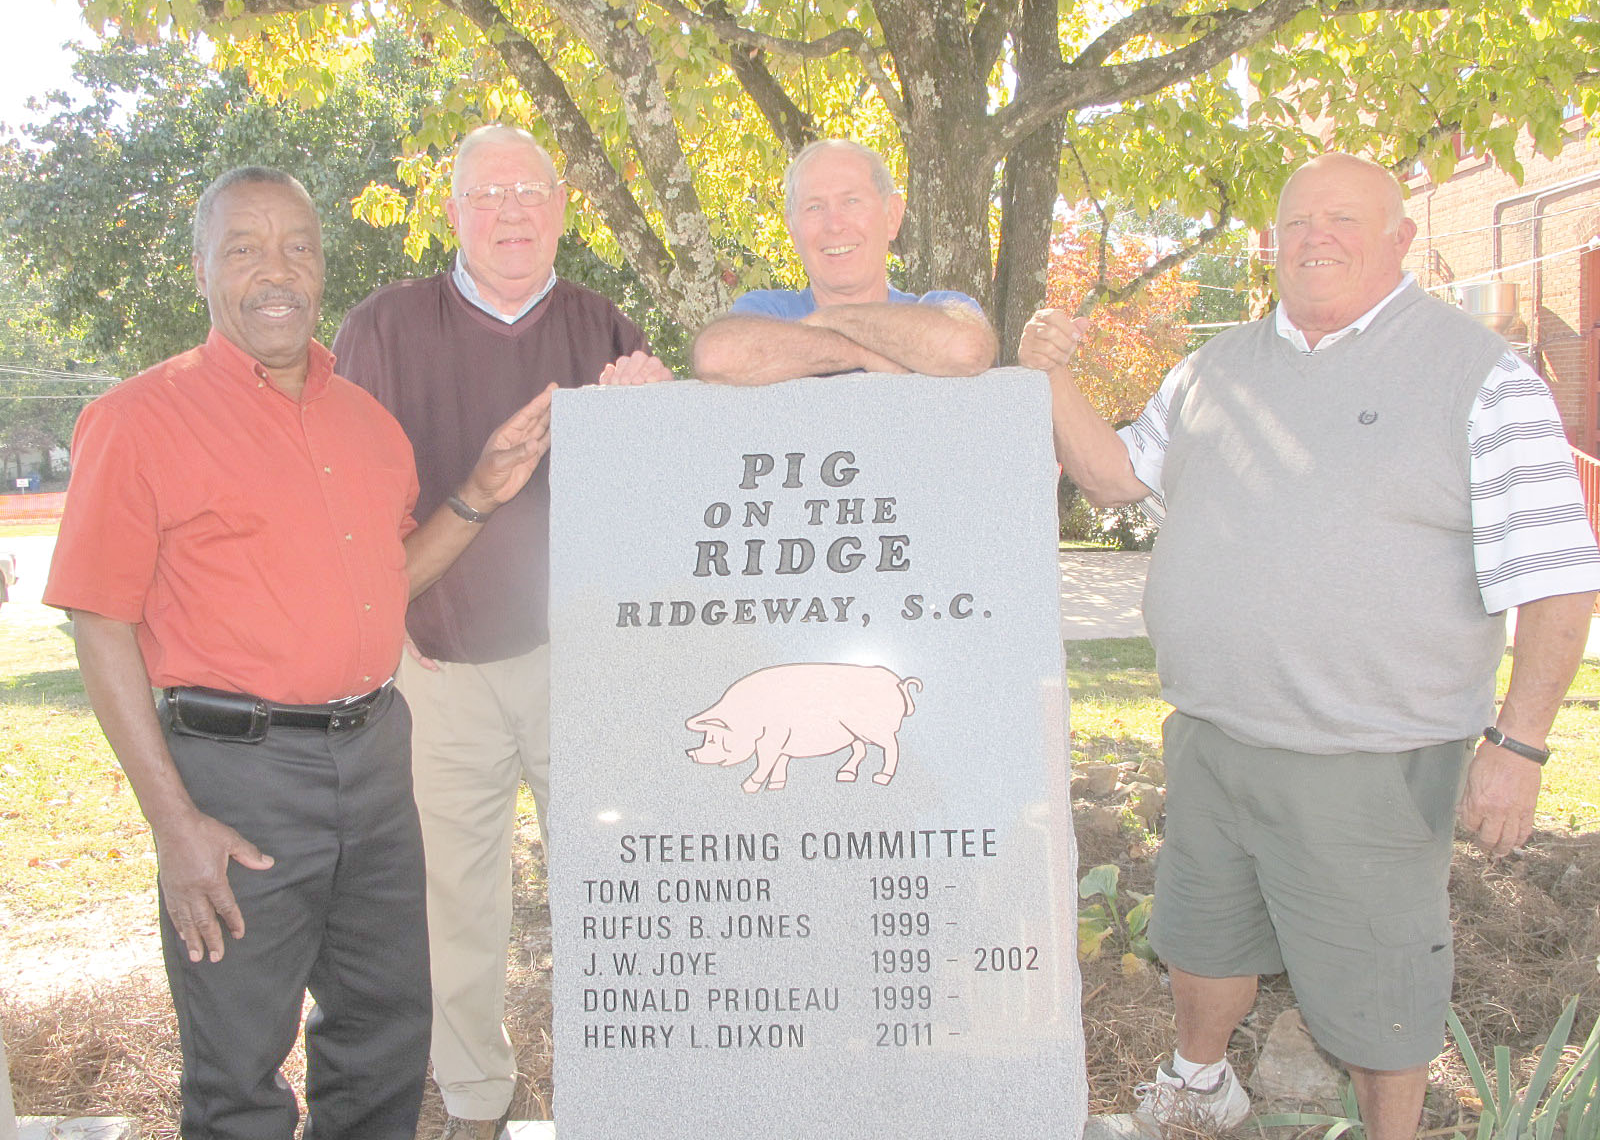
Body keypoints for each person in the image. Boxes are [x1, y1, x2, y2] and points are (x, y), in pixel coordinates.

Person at [1020, 153, 1600, 1140]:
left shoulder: (1481, 377)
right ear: (1274, 243)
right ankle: (1199, 1087)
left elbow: (1557, 576)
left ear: (1400, 239)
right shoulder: (1213, 370)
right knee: (1201, 937)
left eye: (1343, 218)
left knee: (1379, 991)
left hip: (1370, 758)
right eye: (1297, 221)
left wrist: (1518, 746)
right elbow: (1115, 476)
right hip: (1215, 736)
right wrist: (1052, 374)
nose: (1315, 236)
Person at [43, 167, 554, 1140]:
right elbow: (99, 623)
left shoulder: (367, 424)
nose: (275, 273)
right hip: (238, 778)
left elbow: (389, 580)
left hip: (376, 760)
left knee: (383, 1040)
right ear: (202, 271)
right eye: (244, 250)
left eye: (298, 249)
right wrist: (173, 824)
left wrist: (480, 493)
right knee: (238, 1071)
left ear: (322, 268)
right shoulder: (137, 421)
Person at [333, 124, 672, 1140]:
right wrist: (383, 615)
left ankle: (623, 1097)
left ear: (562, 208)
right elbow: (343, 496)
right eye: (487, 194)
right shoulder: (383, 327)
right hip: (434, 660)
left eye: (530, 190)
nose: (511, 211)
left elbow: (655, 511)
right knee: (453, 904)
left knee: (614, 886)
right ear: (452, 213)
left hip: (581, 665)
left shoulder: (604, 327)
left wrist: (659, 420)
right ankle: (475, 1100)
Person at [691, 138, 996, 383]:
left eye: (851, 201)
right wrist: (860, 352)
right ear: (793, 230)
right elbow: (716, 355)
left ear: (892, 216)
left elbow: (968, 349)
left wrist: (828, 320)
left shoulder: (937, 309)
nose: (834, 225)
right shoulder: (767, 312)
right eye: (814, 207)